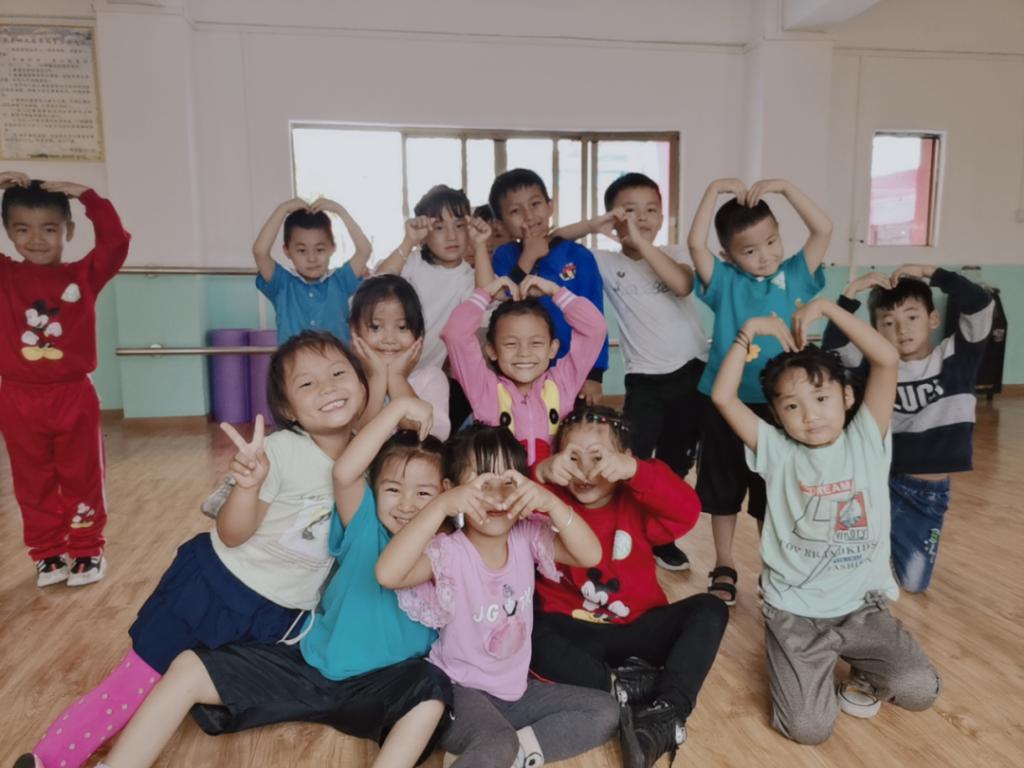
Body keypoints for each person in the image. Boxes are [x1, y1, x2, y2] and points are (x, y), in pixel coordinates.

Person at [14, 331, 369, 768]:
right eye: (308, 383)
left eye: (338, 373)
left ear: (362, 383)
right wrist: (248, 486)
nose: (328, 387)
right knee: (137, 680)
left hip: (277, 613)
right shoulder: (281, 451)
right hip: (214, 591)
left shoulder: (367, 455)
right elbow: (233, 533)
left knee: (181, 688)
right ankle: (49, 759)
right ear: (288, 409)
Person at [88, 401, 453, 768]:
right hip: (308, 666)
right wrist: (399, 408)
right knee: (188, 667)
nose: (407, 505)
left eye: (424, 494)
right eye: (393, 489)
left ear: (446, 494)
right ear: (374, 491)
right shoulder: (365, 525)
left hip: (381, 684)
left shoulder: (451, 553)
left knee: (432, 690)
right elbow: (344, 472)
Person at [710, 299, 940, 744]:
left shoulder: (866, 438)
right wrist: (748, 331)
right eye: (792, 406)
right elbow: (722, 397)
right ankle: (802, 661)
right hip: (795, 612)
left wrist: (830, 309)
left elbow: (886, 359)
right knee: (808, 729)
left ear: (847, 397)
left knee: (919, 690)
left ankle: (861, 670)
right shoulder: (775, 450)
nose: (811, 414)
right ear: (776, 415)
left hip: (861, 608)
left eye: (821, 398)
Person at [377, 424, 620, 768]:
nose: (496, 496)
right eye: (481, 483)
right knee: (497, 741)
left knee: (604, 711)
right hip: (458, 691)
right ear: (453, 489)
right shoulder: (449, 552)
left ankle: (505, 756)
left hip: (515, 692)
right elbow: (387, 574)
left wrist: (550, 502)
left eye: (508, 483)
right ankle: (493, 751)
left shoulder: (527, 536)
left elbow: (590, 554)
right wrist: (441, 506)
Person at [530, 405, 729, 768]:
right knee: (523, 627)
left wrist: (637, 470)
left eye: (598, 458)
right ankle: (625, 687)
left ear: (622, 458)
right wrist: (541, 472)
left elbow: (687, 510)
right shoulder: (550, 505)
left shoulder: (637, 502)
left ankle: (666, 713)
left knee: (710, 609)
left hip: (638, 628)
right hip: (574, 634)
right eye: (573, 457)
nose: (586, 470)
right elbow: (514, 506)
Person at [554, 172, 708, 571]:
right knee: (631, 458)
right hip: (643, 380)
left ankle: (662, 536)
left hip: (691, 373)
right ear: (614, 217)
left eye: (651, 210)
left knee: (676, 463)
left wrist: (641, 242)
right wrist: (594, 225)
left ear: (662, 216)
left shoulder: (675, 252)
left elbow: (682, 285)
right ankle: (624, 531)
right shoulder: (605, 263)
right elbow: (554, 242)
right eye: (630, 211)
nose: (641, 218)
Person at [688, 177, 831, 605]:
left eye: (771, 242)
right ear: (728, 256)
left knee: (775, 491)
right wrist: (712, 190)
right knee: (723, 487)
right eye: (750, 251)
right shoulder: (725, 282)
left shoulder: (796, 275)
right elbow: (695, 244)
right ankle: (724, 563)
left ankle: (775, 567)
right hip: (725, 403)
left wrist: (786, 189)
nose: (765, 255)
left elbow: (823, 229)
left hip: (781, 405)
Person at [822, 265, 994, 592]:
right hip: (876, 481)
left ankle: (884, 554)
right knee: (848, 561)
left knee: (914, 584)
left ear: (933, 319)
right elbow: (836, 345)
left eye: (912, 317)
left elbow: (980, 304)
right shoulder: (877, 366)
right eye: (888, 322)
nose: (902, 329)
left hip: (926, 494)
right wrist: (851, 292)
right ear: (875, 331)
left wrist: (932, 272)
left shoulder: (957, 355)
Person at [0, 173, 130, 587]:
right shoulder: (5, 275)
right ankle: (48, 554)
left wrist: (89, 197)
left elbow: (115, 243)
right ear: (8, 233)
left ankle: (88, 549)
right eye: (23, 229)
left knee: (82, 474)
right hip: (18, 397)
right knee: (31, 480)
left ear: (68, 231)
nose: (37, 239)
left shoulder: (84, 275)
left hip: (73, 395)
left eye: (50, 229)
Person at [441, 274, 606, 465]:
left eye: (536, 343)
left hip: (552, 483)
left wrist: (555, 291)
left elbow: (595, 329)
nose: (524, 353)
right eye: (511, 344)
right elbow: (455, 334)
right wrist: (486, 294)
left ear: (552, 349)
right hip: (501, 484)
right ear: (492, 350)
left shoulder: (563, 382)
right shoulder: (484, 389)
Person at [484, 168, 609, 405]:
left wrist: (594, 373)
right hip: (521, 367)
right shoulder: (504, 256)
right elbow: (506, 301)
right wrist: (528, 256)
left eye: (535, 204)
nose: (529, 215)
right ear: (500, 223)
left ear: (550, 206)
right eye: (515, 211)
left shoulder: (579, 256)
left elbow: (595, 315)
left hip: (573, 368)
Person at [374, 185, 478, 431]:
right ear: (425, 235)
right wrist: (408, 241)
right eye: (439, 227)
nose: (451, 236)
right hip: (381, 366)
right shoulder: (413, 263)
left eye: (459, 226)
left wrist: (481, 246)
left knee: (420, 430)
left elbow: (482, 303)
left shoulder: (467, 276)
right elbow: (376, 286)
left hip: (423, 377)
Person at [252, 196, 370, 344]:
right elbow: (260, 252)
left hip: (336, 358)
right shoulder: (282, 283)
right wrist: (282, 209)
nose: (312, 258)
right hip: (293, 359)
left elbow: (364, 250)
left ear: (332, 248)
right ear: (287, 251)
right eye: (302, 251)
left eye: (319, 250)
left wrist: (341, 211)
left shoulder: (341, 280)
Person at [349, 273, 451, 440]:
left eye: (402, 327)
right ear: (354, 330)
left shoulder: (431, 378)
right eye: (375, 327)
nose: (390, 339)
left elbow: (432, 435)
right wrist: (377, 378)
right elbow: (357, 439)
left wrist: (397, 378)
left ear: (419, 333)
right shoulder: (349, 380)